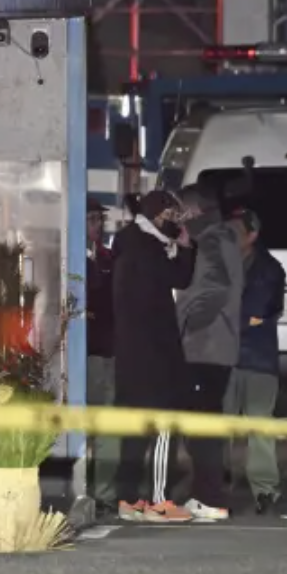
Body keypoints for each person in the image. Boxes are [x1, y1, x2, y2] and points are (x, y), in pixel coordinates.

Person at [110, 190, 198, 524]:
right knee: (163, 427)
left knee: (134, 430)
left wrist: (180, 248)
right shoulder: (147, 250)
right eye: (173, 218)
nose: (177, 225)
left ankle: (128, 498)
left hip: (131, 356)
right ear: (160, 216)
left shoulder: (130, 245)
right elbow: (179, 278)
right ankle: (160, 500)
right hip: (154, 355)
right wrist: (185, 247)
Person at [173, 184, 246, 521]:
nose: (178, 217)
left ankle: (209, 498)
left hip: (205, 346)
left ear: (195, 211)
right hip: (214, 346)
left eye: (182, 210)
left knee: (202, 427)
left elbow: (215, 289)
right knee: (205, 423)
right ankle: (208, 496)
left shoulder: (213, 242)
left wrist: (187, 322)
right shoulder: (222, 239)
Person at [225, 210, 287, 514]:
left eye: (237, 231)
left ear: (252, 235)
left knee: (260, 426)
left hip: (258, 358)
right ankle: (216, 485)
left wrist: (229, 318)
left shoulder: (269, 268)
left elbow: (258, 309)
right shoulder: (217, 263)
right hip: (224, 356)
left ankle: (265, 490)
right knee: (219, 425)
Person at [83, 199, 119, 512]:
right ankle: (83, 489)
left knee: (107, 425)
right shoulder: (70, 258)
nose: (97, 224)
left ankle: (104, 493)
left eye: (99, 219)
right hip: (83, 352)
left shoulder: (109, 258)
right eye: (91, 218)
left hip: (107, 350)